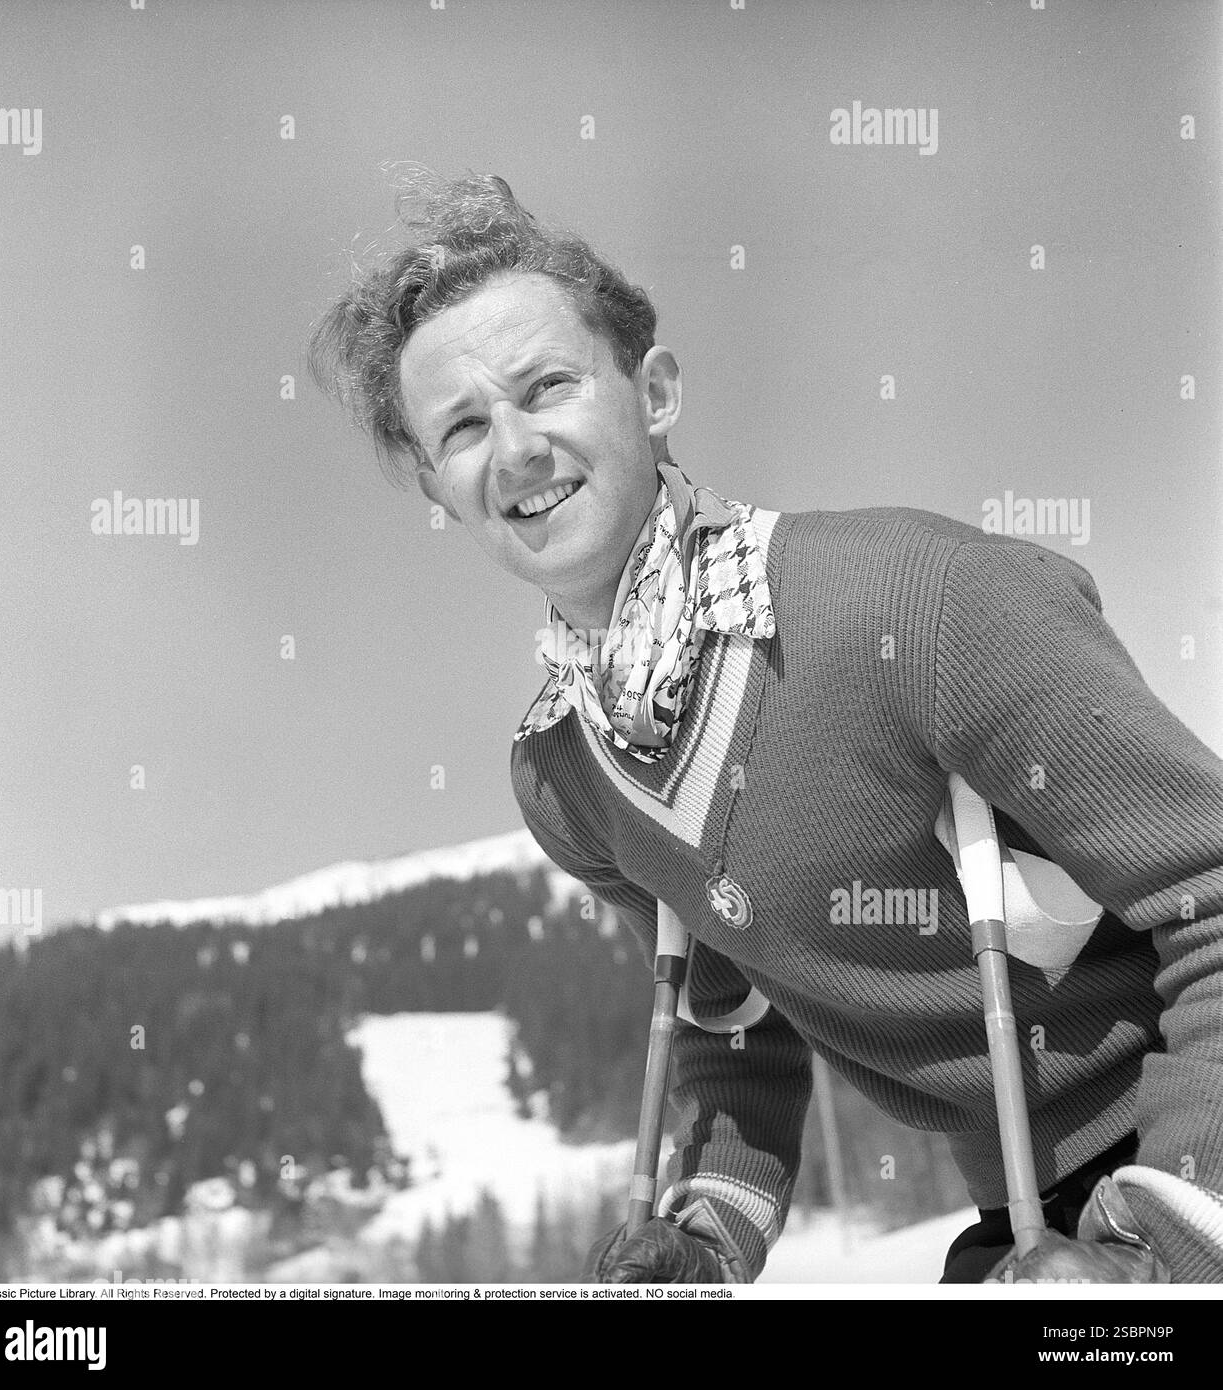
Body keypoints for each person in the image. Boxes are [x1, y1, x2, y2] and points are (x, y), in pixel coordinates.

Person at [307, 170, 1223, 1284]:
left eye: (547, 386)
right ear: (433, 488)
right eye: (461, 427)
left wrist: (1167, 1243)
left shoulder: (916, 603)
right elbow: (732, 1030)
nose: (514, 450)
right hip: (1033, 1216)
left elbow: (1212, 889)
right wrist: (702, 1244)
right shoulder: (565, 775)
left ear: (653, 393)